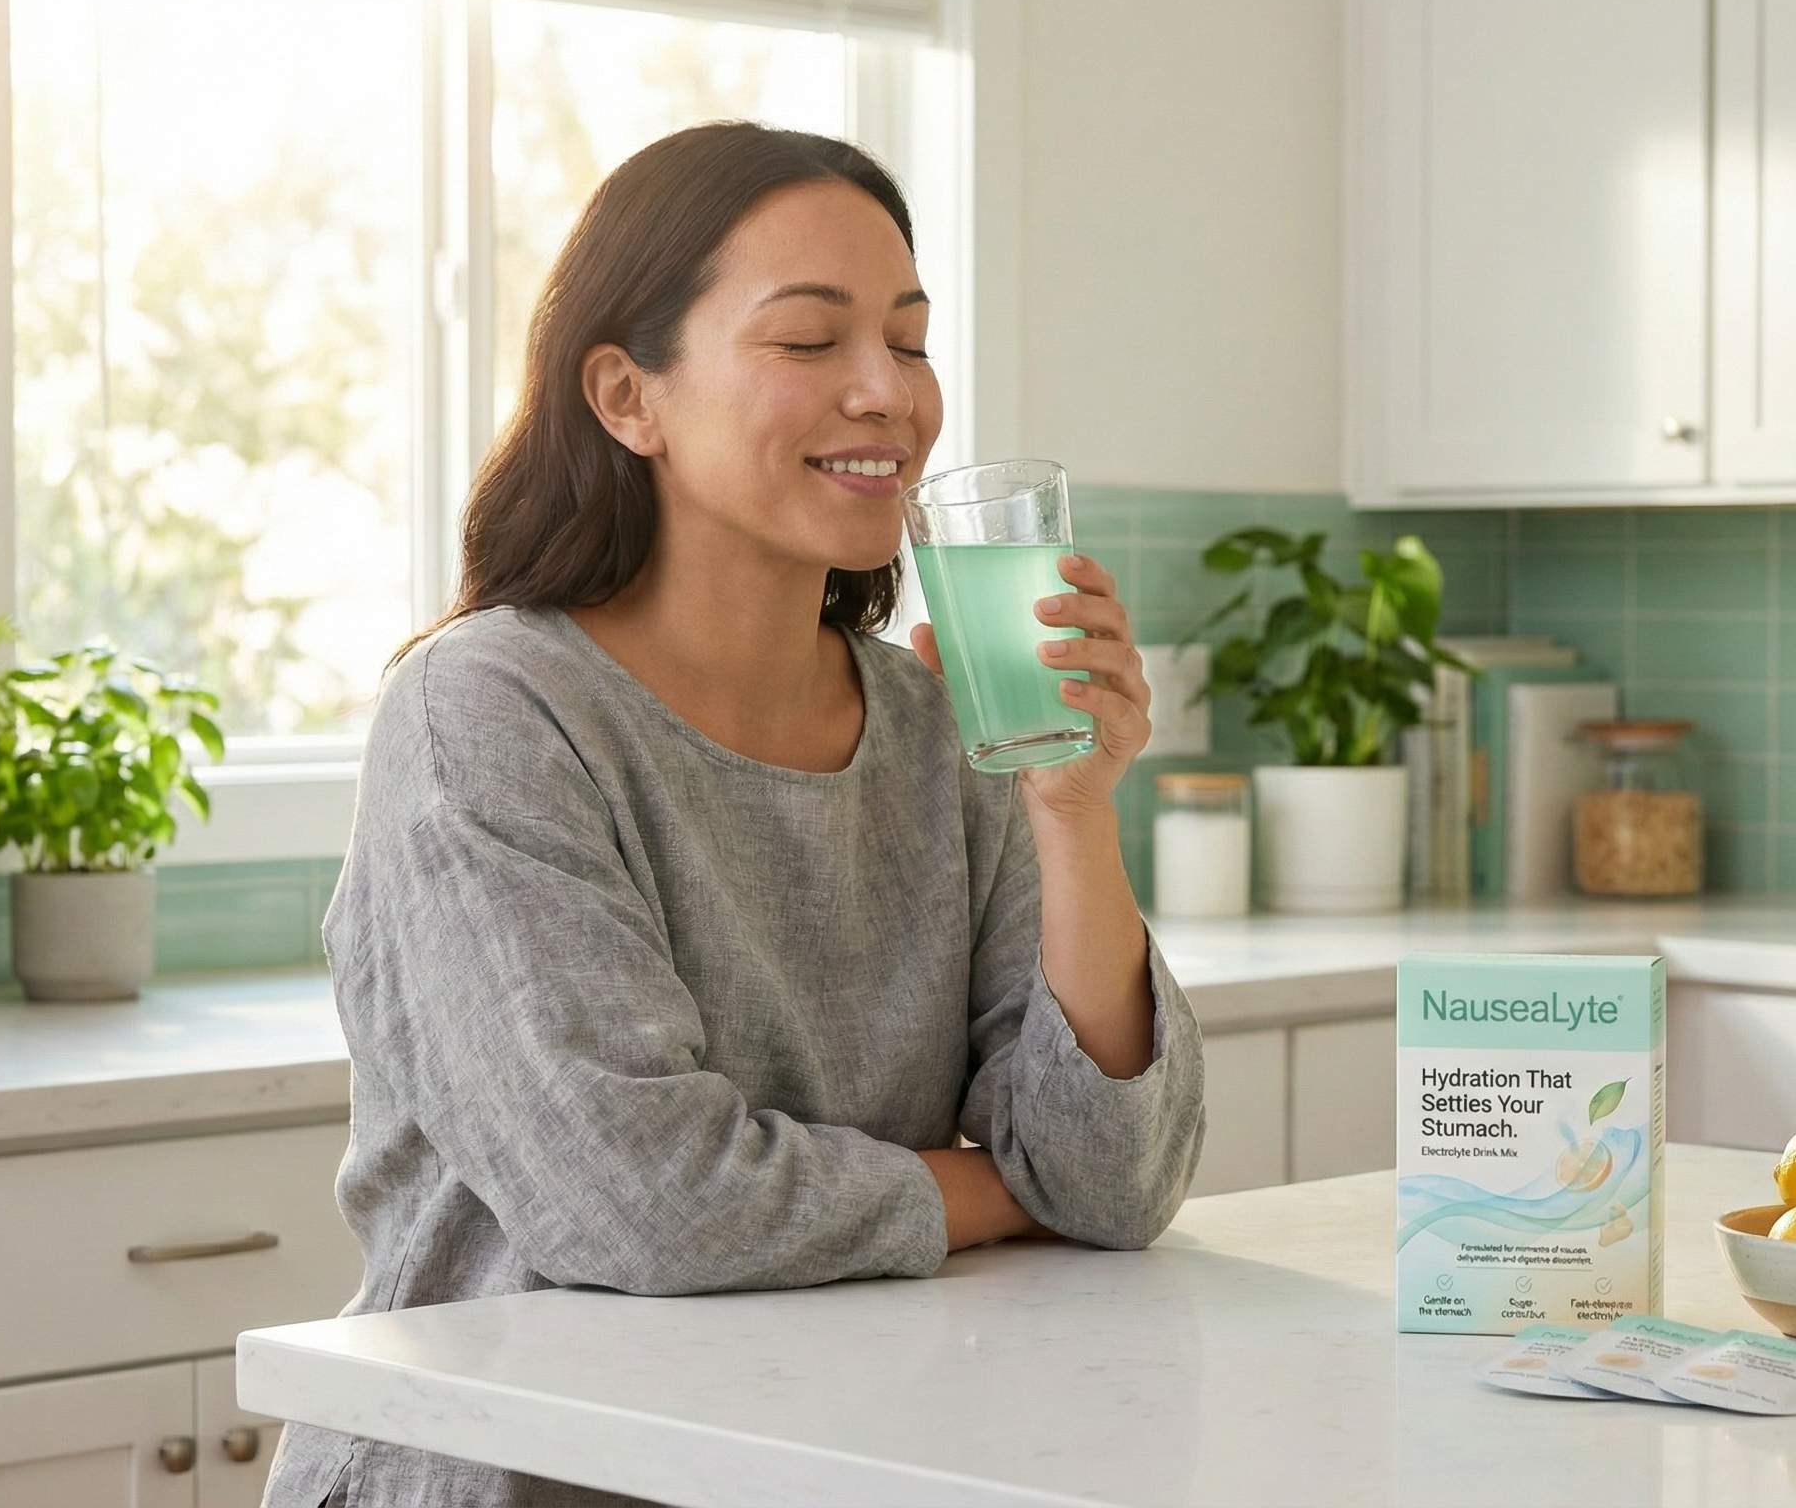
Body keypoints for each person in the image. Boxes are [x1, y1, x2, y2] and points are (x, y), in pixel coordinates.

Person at [262, 122, 1206, 1508]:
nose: (888, 392)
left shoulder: (944, 725)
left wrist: (1072, 810)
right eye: (809, 342)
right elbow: (642, 1200)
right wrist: (993, 1189)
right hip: (519, 1477)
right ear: (628, 396)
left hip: (835, 1459)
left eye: (911, 338)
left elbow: (1115, 1186)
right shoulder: (489, 711)